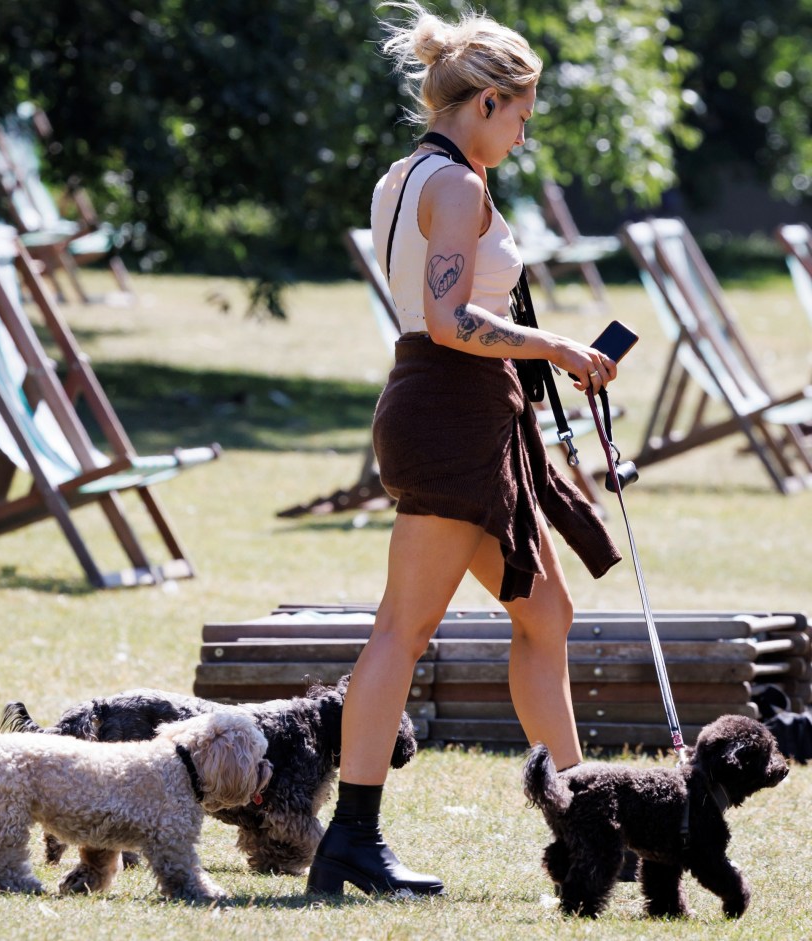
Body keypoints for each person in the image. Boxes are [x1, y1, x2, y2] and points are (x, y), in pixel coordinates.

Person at [305, 3, 623, 897]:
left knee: (544, 614)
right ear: (485, 102)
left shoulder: (403, 176)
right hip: (449, 416)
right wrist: (554, 346)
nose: (521, 137)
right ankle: (352, 841)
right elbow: (448, 322)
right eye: (519, 116)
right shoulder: (456, 186)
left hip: (452, 412)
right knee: (401, 631)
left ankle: (589, 818)